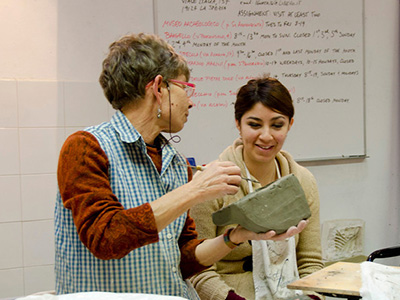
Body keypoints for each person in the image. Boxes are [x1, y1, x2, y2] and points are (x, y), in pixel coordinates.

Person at [54, 34, 307, 299]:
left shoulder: (174, 161)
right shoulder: (86, 147)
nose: (191, 100)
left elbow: (184, 260)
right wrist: (194, 191)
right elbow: (105, 237)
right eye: (184, 87)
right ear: (159, 88)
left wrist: (237, 236)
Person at [189, 76, 325, 300]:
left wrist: (311, 297)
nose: (266, 136)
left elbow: (311, 262)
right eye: (254, 124)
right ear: (237, 123)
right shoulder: (211, 182)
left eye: (277, 125)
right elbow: (198, 270)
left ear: (290, 124)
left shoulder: (303, 181)